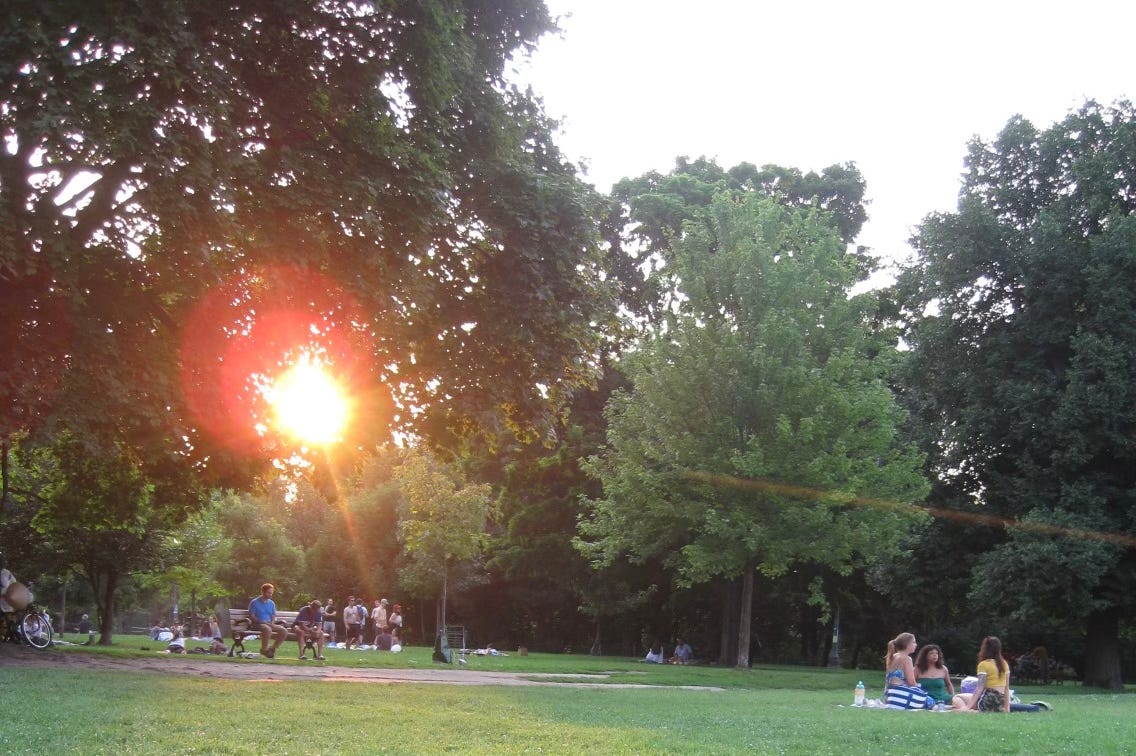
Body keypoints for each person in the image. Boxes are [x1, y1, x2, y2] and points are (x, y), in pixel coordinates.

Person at [883, 632, 935, 709]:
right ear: (907, 644)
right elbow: (911, 682)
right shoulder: (907, 659)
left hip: (890, 695)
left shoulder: (893, 656)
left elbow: (888, 680)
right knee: (931, 701)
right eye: (914, 642)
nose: (916, 645)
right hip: (900, 696)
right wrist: (920, 689)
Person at [248, 582, 287, 659]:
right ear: (263, 592)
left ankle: (272, 649)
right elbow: (251, 616)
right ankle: (264, 649)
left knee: (284, 631)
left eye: (271, 593)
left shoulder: (271, 603)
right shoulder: (254, 602)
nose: (270, 595)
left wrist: (272, 623)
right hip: (257, 624)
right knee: (267, 629)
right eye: (268, 592)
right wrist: (261, 621)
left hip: (269, 623)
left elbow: (273, 615)